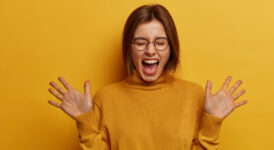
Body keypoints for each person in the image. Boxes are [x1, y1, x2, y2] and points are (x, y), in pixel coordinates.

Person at [48, 4, 247, 150]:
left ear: (171, 48)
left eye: (160, 42)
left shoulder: (194, 95)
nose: (150, 50)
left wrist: (212, 122)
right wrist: (86, 122)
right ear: (129, 47)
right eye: (141, 42)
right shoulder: (105, 99)